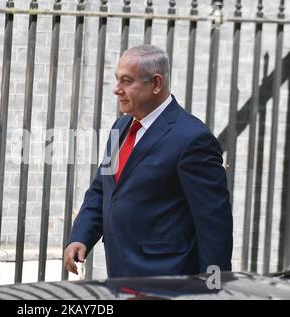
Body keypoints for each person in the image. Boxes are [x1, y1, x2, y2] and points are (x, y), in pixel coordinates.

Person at [64, 45, 233, 278]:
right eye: (117, 80)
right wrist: (81, 236)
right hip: (121, 272)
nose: (117, 90)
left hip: (168, 278)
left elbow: (214, 223)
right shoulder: (121, 126)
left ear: (156, 83)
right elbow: (102, 189)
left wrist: (213, 286)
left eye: (126, 81)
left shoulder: (193, 138)